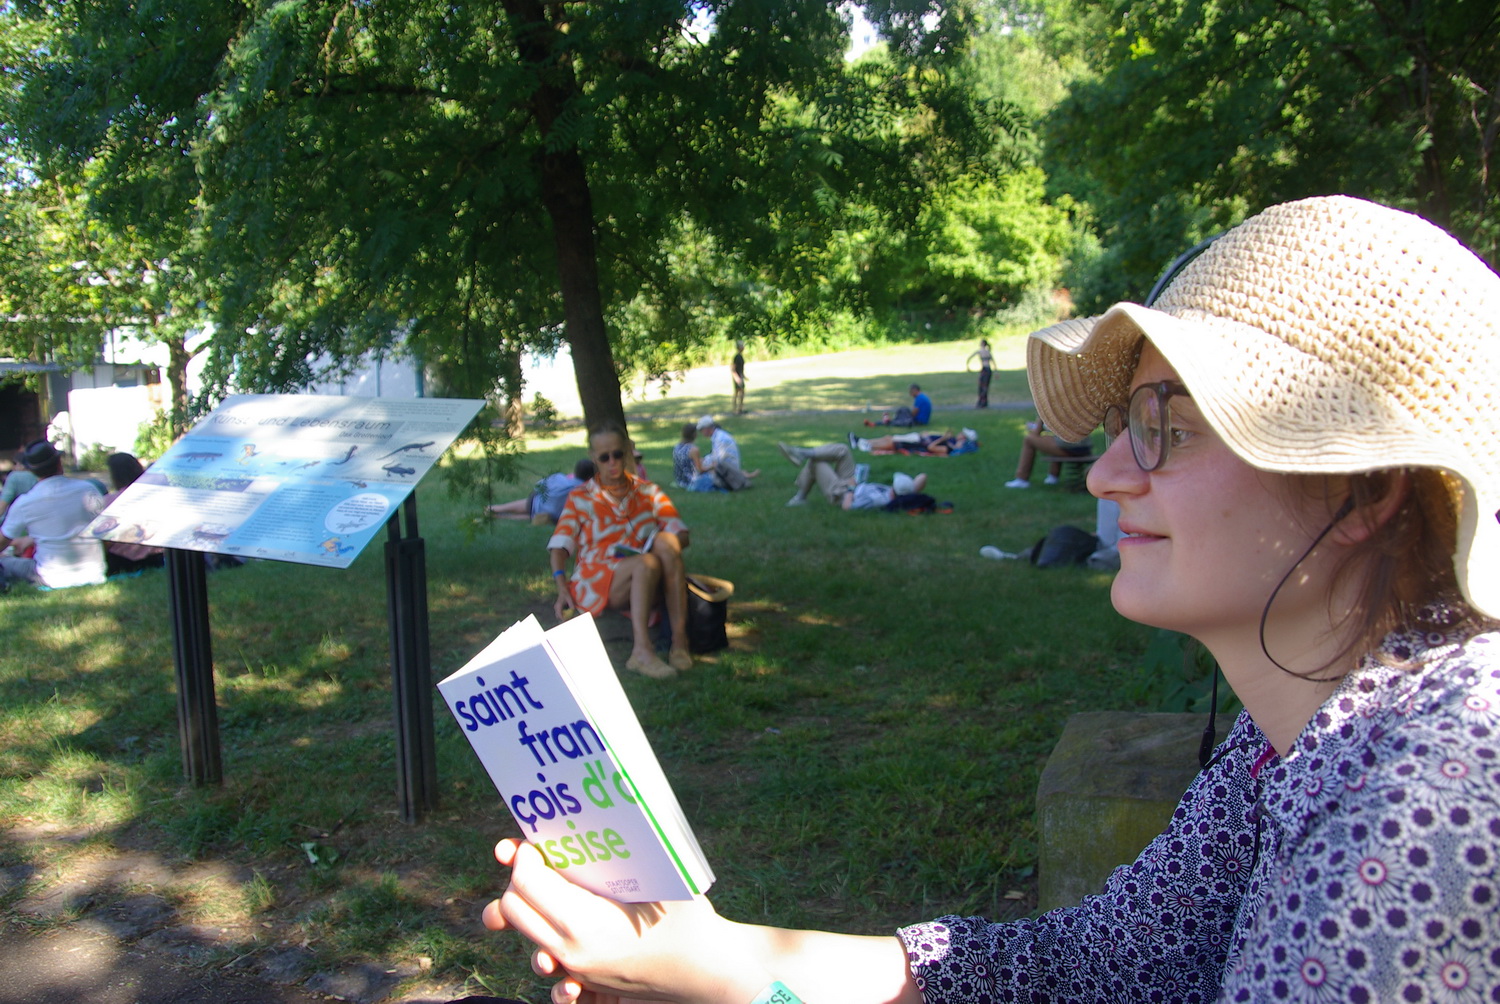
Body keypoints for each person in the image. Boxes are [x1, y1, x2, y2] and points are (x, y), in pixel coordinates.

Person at [478, 196, 1500, 1003]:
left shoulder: (1434, 806)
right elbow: (1090, 966)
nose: (1107, 475)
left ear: (1363, 487)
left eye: (1172, 428)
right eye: (1125, 426)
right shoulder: (1296, 746)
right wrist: (703, 957)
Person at [549, 426, 694, 680]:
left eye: (617, 454)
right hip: (598, 580)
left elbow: (681, 535)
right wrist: (561, 587)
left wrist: (658, 543)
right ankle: (641, 652)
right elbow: (559, 547)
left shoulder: (648, 492)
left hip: (646, 574)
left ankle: (679, 642)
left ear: (626, 452)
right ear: (593, 457)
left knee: (665, 542)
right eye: (604, 457)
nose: (612, 462)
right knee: (645, 563)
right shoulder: (580, 497)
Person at [0, 440, 107, 591]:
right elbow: (104, 530)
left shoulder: (25, 502)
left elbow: (2, 542)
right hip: (94, 572)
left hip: (50, 576)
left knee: (5, 562)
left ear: (31, 471)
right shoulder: (88, 489)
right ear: (59, 463)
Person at [778, 442, 927, 509]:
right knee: (843, 450)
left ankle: (800, 498)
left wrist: (850, 488)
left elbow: (847, 507)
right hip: (854, 483)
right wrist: (911, 489)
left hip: (841, 494)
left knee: (816, 463)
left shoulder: (877, 500)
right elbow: (923, 477)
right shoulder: (899, 493)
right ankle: (802, 452)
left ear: (895, 489)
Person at [101, 452, 164, 576]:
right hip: (156, 559)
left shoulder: (109, 501)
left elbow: (105, 540)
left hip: (121, 561)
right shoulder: (157, 497)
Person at [485, 459, 596, 525]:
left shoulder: (559, 478)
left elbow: (539, 486)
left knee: (529, 504)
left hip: (535, 503)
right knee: (532, 516)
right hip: (550, 515)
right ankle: (501, 517)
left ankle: (495, 508)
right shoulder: (585, 490)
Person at [1004, 416, 1094, 487]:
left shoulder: (1048, 406)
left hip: (1069, 449)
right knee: (1052, 439)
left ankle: (1021, 479)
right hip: (1085, 448)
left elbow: (1036, 432)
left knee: (1029, 439)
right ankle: (1052, 477)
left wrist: (1034, 425)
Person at [695, 415, 760, 491]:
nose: (701, 433)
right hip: (727, 466)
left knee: (700, 471)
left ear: (707, 429)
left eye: (701, 430)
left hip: (728, 469)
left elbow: (719, 461)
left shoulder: (720, 439)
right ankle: (743, 474)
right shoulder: (718, 436)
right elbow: (715, 456)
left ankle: (741, 476)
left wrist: (704, 466)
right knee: (701, 463)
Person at [849, 428, 977, 457]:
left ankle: (868, 446)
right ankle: (861, 440)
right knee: (889, 437)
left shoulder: (949, 448)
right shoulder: (952, 440)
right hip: (918, 437)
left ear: (963, 438)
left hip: (918, 444)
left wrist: (943, 438)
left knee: (893, 442)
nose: (959, 433)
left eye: (962, 434)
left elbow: (931, 448)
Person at [868, 383, 933, 427]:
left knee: (901, 418)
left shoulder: (919, 399)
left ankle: (882, 423)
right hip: (922, 420)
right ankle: (887, 420)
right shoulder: (922, 396)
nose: (910, 394)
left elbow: (915, 412)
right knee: (903, 410)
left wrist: (907, 416)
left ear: (915, 390)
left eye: (911, 392)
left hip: (919, 421)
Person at [671, 423, 711, 491]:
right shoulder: (693, 449)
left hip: (680, 480)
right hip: (691, 481)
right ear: (694, 434)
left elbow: (685, 461)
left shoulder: (677, 447)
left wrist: (700, 460)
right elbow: (700, 470)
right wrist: (712, 467)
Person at [966, 338, 993, 408]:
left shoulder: (981, 351)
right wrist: (996, 372)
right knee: (985, 386)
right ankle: (984, 402)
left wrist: (968, 366)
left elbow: (970, 358)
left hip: (984, 370)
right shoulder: (988, 351)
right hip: (989, 370)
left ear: (983, 344)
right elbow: (993, 361)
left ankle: (981, 402)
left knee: (982, 386)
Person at [731, 339, 747, 416]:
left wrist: (744, 376)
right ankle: (735, 410)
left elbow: (741, 368)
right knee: (737, 393)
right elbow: (733, 368)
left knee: (742, 393)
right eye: (741, 346)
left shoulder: (741, 356)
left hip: (741, 376)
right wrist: (736, 377)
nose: (743, 347)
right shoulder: (736, 357)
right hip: (737, 377)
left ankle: (740, 409)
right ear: (738, 347)